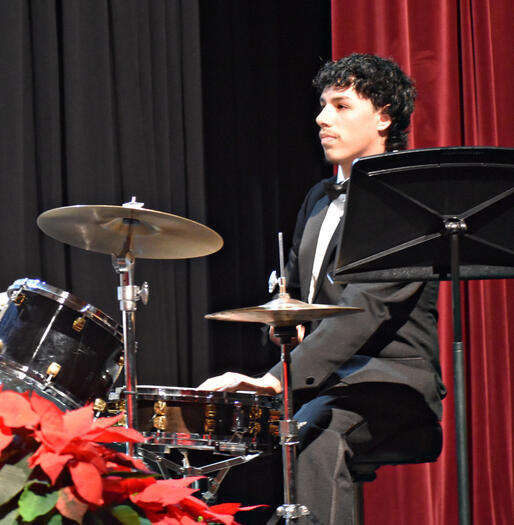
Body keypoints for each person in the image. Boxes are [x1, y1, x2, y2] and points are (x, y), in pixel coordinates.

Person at [199, 53, 445, 524]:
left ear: (384, 117)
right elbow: (297, 296)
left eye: (340, 106)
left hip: (388, 383)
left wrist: (274, 379)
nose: (321, 118)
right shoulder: (317, 197)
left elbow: (365, 309)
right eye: (322, 106)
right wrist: (281, 329)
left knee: (316, 439)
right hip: (328, 380)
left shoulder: (406, 203)